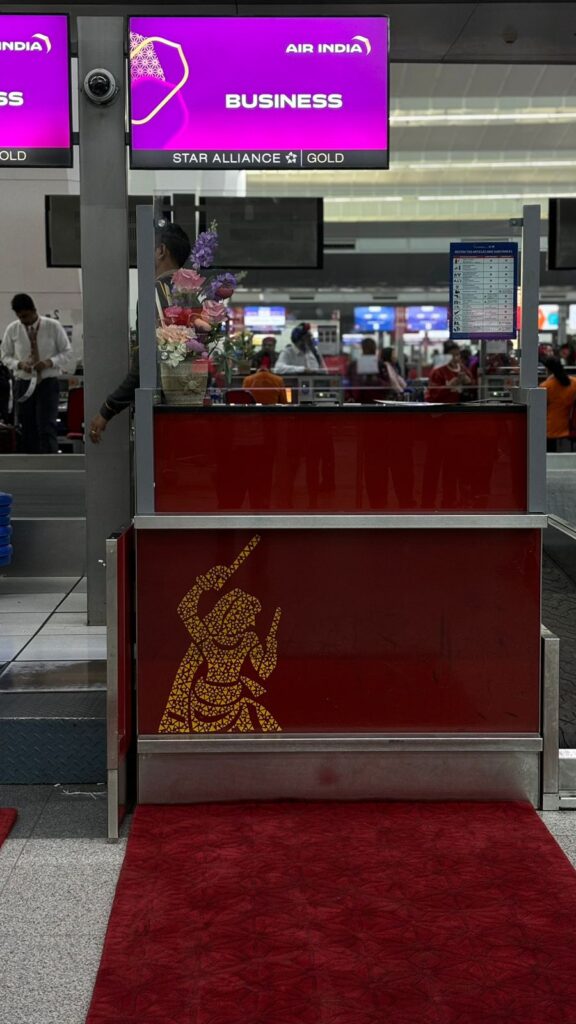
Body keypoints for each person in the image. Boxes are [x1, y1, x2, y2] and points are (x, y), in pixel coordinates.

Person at [88, 223, 191, 443]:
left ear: (161, 250)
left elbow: (143, 364)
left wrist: (107, 410)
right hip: (192, 409)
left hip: (162, 410)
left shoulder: (152, 295)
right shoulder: (194, 295)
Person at [0, 294, 73, 453]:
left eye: (25, 316)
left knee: (47, 426)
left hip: (47, 382)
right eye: (19, 317)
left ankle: (50, 463)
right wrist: (19, 364)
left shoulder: (52, 326)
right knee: (27, 427)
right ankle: (30, 465)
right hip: (23, 383)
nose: (23, 320)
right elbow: (4, 355)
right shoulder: (13, 329)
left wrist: (49, 362)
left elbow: (67, 352)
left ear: (34, 311)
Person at [540, 357, 576, 452]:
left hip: (551, 429)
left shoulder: (546, 386)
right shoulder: (574, 383)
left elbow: (540, 408)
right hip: (570, 428)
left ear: (548, 370)